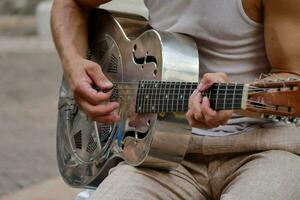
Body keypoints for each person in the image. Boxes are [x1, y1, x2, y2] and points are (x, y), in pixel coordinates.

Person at [51, 0, 300, 199]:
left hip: (264, 149)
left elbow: (294, 84)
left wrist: (233, 104)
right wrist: (73, 64)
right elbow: (70, 3)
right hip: (158, 156)